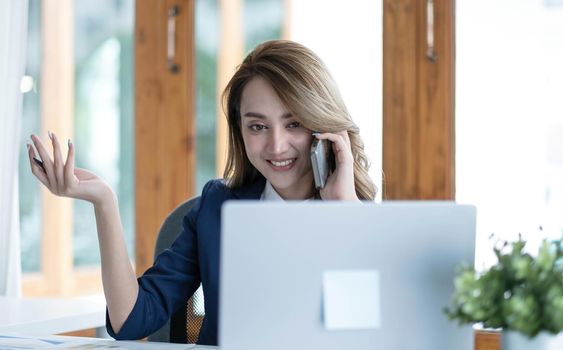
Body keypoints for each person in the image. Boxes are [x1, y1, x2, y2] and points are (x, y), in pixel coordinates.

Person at [27, 40, 376, 345]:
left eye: (294, 123)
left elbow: (374, 331)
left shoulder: (368, 223)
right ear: (240, 132)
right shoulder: (218, 208)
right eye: (257, 126)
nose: (276, 144)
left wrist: (344, 216)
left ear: (324, 128)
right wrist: (104, 201)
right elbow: (131, 321)